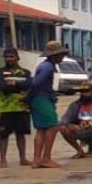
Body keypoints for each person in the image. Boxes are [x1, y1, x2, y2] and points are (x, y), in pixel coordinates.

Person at [26, 40, 66, 169]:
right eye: (61, 54)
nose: (63, 57)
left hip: (37, 99)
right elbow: (37, 83)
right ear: (55, 55)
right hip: (42, 99)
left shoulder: (44, 65)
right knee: (52, 126)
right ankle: (46, 158)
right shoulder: (48, 67)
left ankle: (36, 159)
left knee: (41, 129)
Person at [0, 48, 31, 168]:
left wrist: (14, 85)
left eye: (11, 56)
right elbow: (0, 85)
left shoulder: (25, 72)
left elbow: (29, 84)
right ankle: (3, 160)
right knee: (3, 135)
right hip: (6, 109)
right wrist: (18, 86)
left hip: (21, 107)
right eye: (6, 57)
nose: (8, 59)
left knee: (21, 134)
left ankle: (23, 158)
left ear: (17, 57)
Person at [59, 83, 92, 158]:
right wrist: (63, 124)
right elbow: (66, 117)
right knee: (64, 129)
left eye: (87, 92)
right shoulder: (75, 104)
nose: (84, 94)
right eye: (82, 92)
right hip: (81, 129)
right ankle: (80, 151)